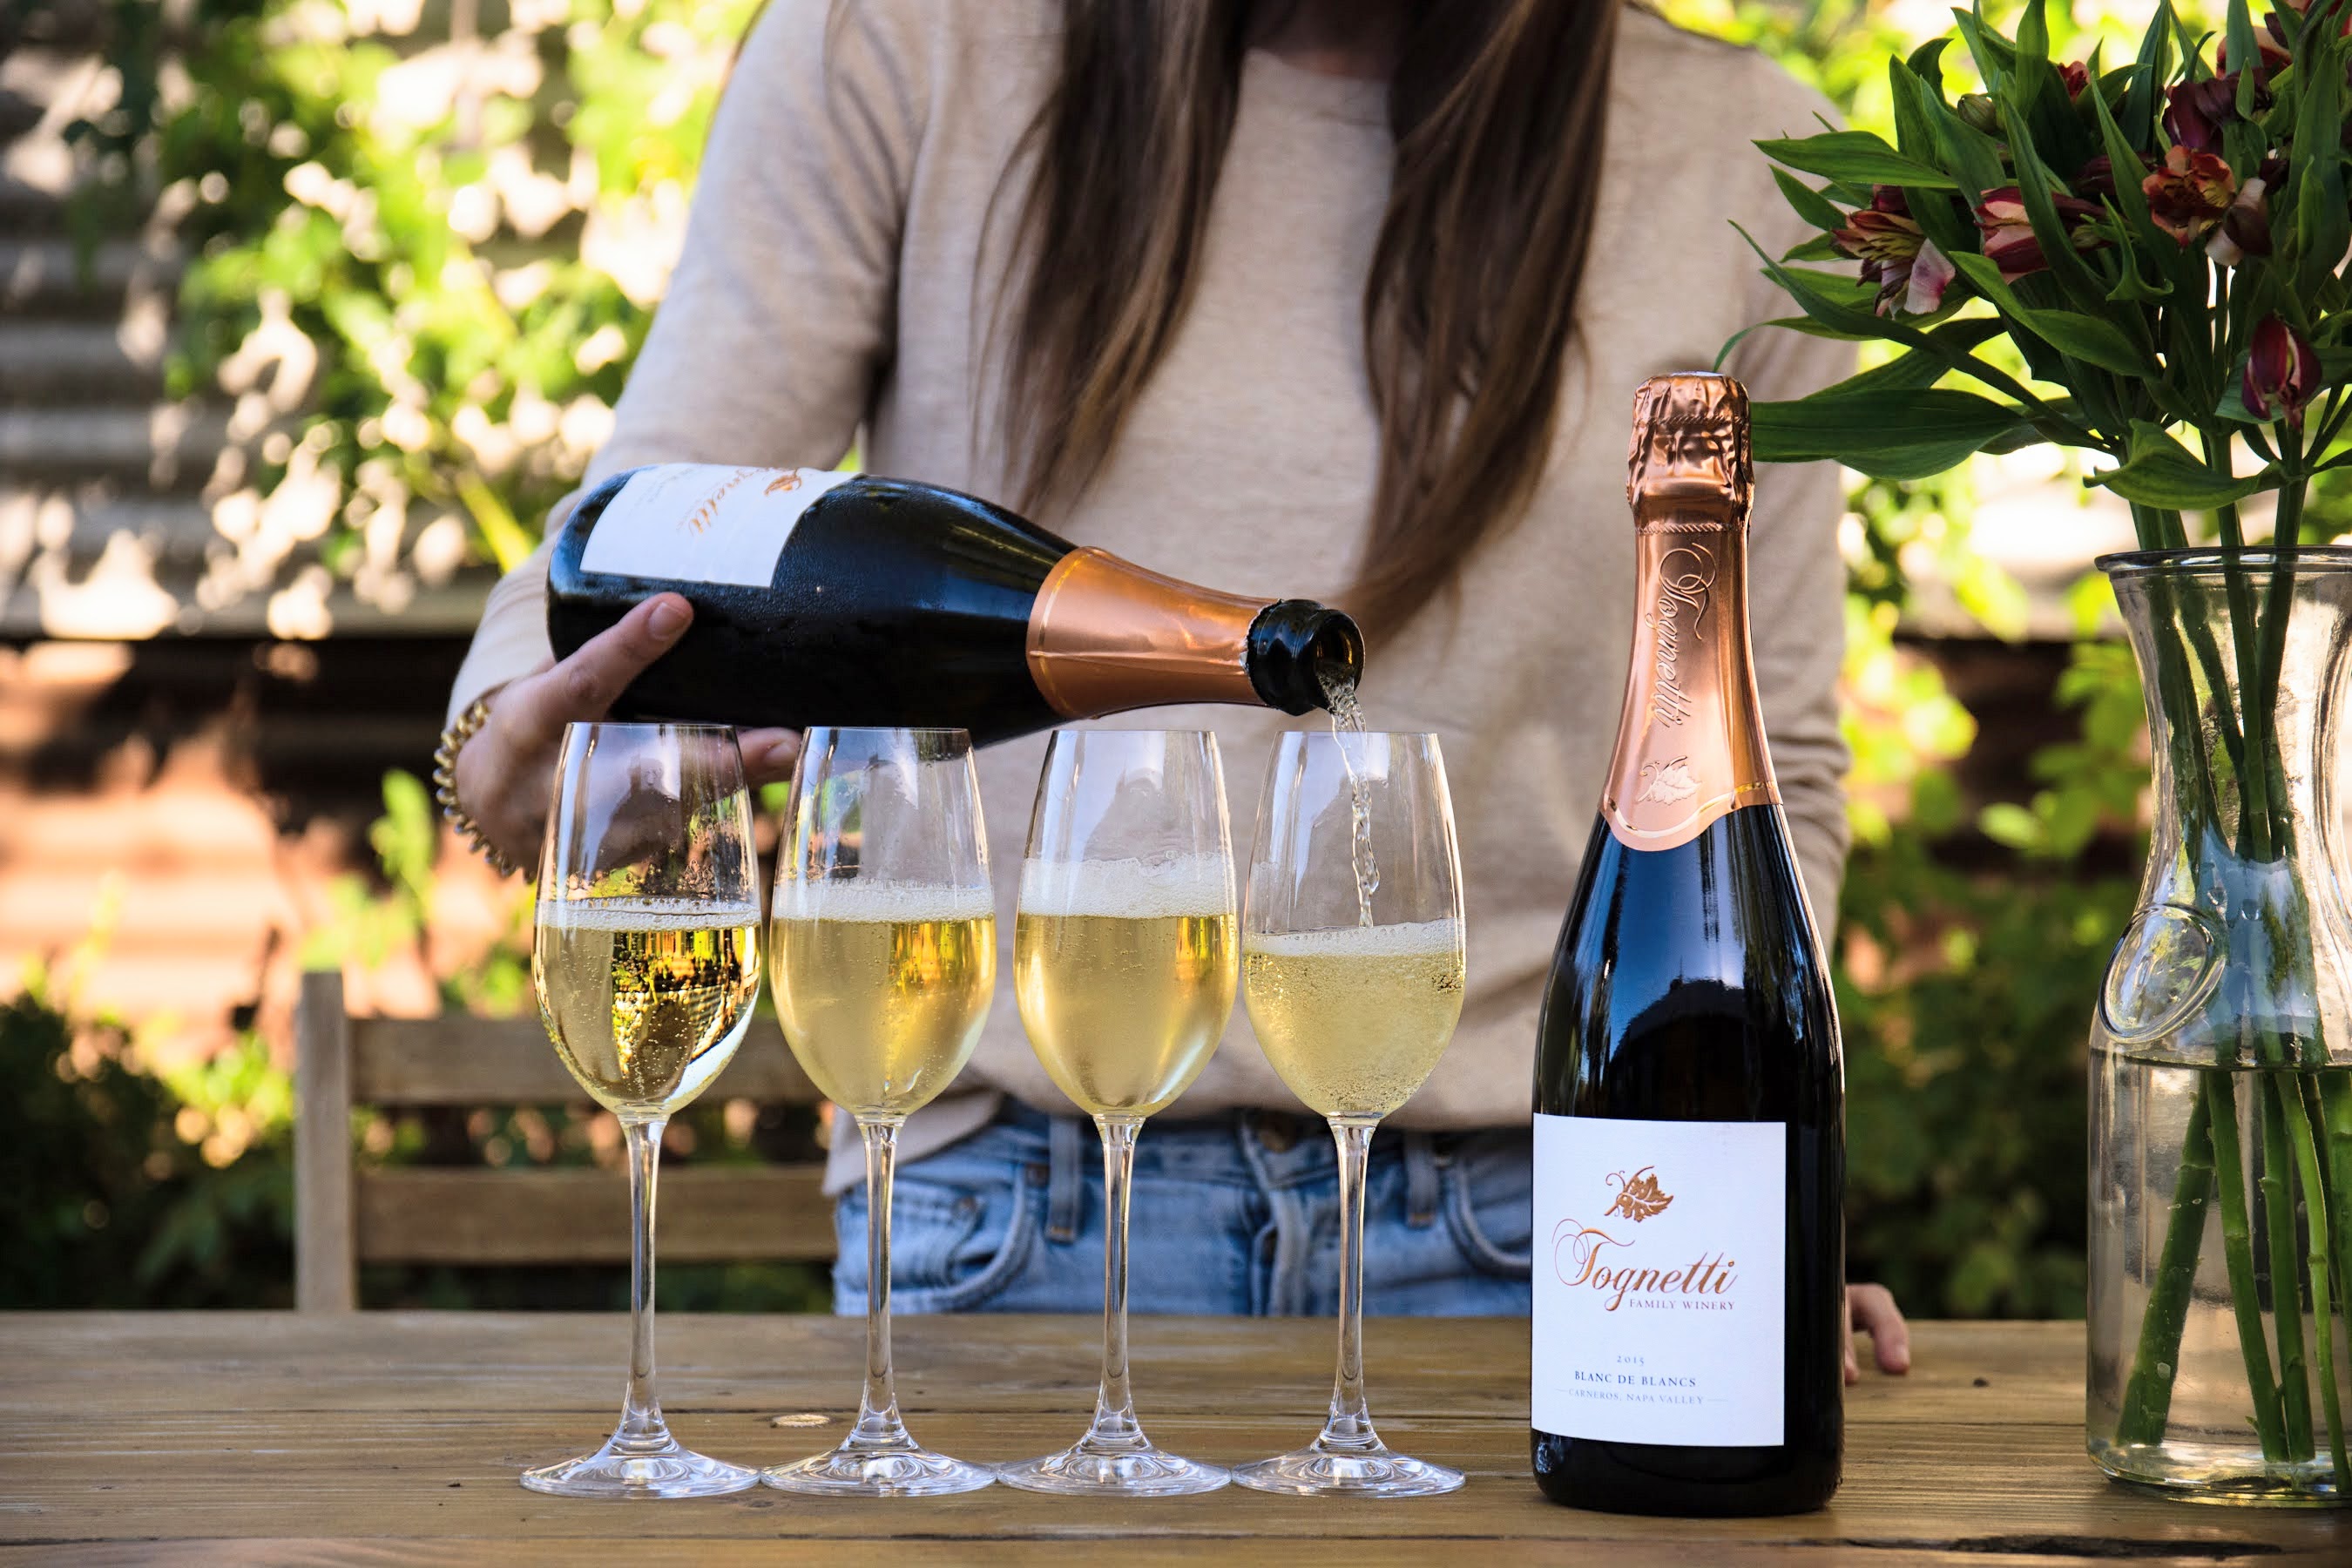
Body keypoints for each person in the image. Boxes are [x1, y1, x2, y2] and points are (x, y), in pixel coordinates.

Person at [442, 0, 1910, 1378]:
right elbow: (644, 526)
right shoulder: (901, 46)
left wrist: (1742, 1170)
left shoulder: (1746, 159)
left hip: (1556, 1227)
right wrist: (522, 742)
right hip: (1014, 1218)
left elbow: (1776, 775)